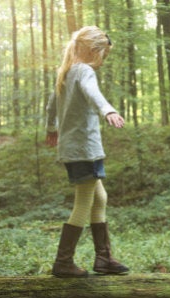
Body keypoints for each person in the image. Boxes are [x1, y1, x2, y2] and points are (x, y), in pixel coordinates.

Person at [45, 26, 128, 278]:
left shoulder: (67, 72)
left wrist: (51, 129)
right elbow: (94, 94)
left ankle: (103, 259)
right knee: (84, 202)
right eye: (104, 54)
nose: (103, 60)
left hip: (73, 148)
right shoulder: (84, 71)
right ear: (94, 50)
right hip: (85, 149)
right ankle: (63, 262)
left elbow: (51, 103)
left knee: (99, 198)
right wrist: (108, 110)